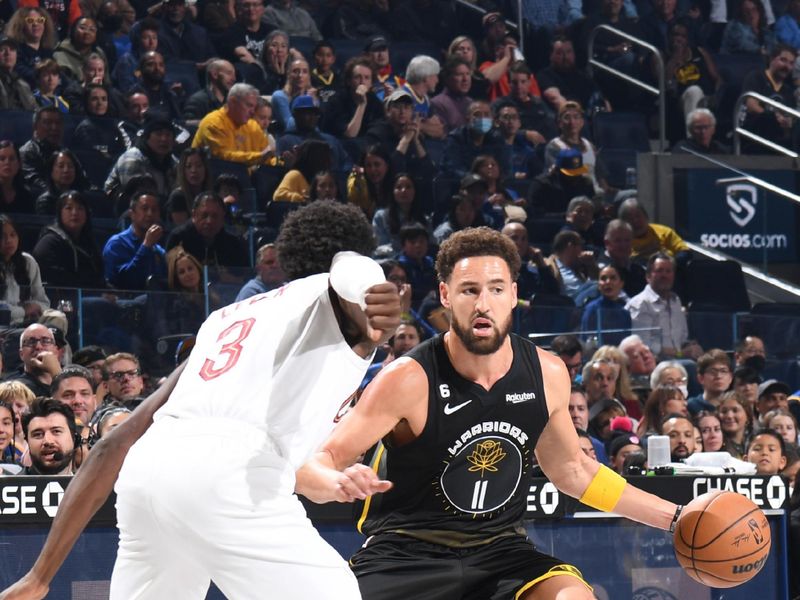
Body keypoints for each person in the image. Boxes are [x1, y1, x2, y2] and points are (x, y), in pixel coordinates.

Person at [0, 200, 402, 600]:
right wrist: (373, 289)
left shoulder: (224, 320)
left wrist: (40, 575)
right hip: (228, 476)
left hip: (149, 473)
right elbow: (350, 268)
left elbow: (115, 444)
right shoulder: (338, 297)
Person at [296, 226, 681, 600]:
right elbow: (317, 462)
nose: (483, 303)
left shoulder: (545, 372)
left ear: (513, 294)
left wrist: (676, 518)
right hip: (404, 554)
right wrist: (336, 481)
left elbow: (574, 472)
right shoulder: (407, 379)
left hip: (501, 553)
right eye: (469, 290)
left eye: (496, 289)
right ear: (445, 295)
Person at [32, 190, 106, 288]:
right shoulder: (49, 243)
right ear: (60, 213)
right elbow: (57, 278)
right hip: (64, 297)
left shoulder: (89, 242)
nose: (75, 213)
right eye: (69, 208)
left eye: (80, 208)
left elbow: (99, 276)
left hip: (91, 293)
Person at [192, 82, 277, 167]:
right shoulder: (213, 123)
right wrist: (260, 156)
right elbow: (225, 158)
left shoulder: (252, 126)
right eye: (249, 105)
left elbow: (268, 158)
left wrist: (282, 162)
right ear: (233, 102)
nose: (252, 112)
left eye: (254, 107)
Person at [625, 253, 688, 358]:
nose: (664, 275)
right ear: (648, 276)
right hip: (654, 363)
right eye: (659, 271)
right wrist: (679, 353)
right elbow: (642, 345)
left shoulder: (676, 301)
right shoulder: (641, 303)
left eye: (668, 271)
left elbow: (682, 338)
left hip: (678, 359)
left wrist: (690, 345)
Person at [105, 112, 178, 201]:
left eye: (168, 135)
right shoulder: (131, 158)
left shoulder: (173, 162)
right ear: (147, 136)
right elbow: (137, 198)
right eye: (158, 134)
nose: (164, 139)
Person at [102, 189, 166, 290]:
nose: (150, 214)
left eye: (154, 210)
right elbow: (126, 281)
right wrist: (146, 246)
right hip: (123, 301)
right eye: (145, 209)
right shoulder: (117, 243)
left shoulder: (158, 250)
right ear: (132, 214)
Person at [740, 44, 797, 154]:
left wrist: (788, 122)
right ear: (771, 59)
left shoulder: (788, 91)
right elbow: (751, 105)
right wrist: (775, 117)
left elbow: (790, 117)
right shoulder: (756, 77)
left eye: (791, 63)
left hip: (778, 140)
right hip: (754, 134)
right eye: (783, 60)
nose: (787, 66)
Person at [165, 192, 248, 267]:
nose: (209, 221)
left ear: (223, 217)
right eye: (204, 215)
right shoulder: (178, 239)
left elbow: (242, 277)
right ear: (194, 215)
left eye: (215, 216)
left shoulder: (233, 243)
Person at [0, 215, 50, 325]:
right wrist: (23, 311)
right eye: (2, 236)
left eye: (13, 235)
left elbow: (44, 302)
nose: (9, 240)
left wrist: (35, 307)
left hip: (26, 324)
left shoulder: (28, 262)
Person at [320, 56, 383, 139]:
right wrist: (362, 104)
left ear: (371, 83)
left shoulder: (375, 102)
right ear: (349, 81)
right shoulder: (336, 102)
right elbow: (350, 134)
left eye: (367, 78)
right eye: (357, 77)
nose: (362, 82)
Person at [20, 397, 76, 476]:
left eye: (56, 431)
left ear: (74, 437)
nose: (48, 441)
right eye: (38, 434)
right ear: (27, 441)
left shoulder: (93, 487)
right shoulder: (5, 487)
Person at [3, 6, 57, 87]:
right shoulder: (14, 50)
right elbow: (22, 73)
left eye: (40, 20)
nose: (36, 24)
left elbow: (58, 75)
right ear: (21, 25)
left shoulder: (48, 52)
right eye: (30, 20)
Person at [19, 106, 64, 199]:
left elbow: (81, 179)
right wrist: (59, 194)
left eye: (58, 123)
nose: (54, 127)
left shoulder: (65, 153)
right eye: (48, 123)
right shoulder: (27, 151)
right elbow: (34, 180)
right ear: (35, 127)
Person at [581, 264, 631, 345]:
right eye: (603, 279)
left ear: (621, 283)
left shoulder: (625, 310)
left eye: (613, 278)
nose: (608, 282)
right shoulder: (592, 308)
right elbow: (588, 341)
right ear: (599, 285)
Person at [7, 324, 61, 398]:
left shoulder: (74, 378)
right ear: (21, 354)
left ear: (56, 352)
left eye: (45, 341)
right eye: (31, 342)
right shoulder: (18, 389)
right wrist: (57, 373)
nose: (38, 346)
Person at [182, 59, 236, 127]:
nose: (234, 78)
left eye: (234, 74)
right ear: (215, 75)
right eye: (229, 73)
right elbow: (188, 128)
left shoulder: (232, 101)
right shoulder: (197, 101)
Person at [430, 56, 473, 134]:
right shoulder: (438, 103)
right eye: (459, 74)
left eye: (467, 74)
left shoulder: (471, 103)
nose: (465, 79)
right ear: (447, 78)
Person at [687, 349, 733, 414]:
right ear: (701, 378)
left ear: (730, 378)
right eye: (712, 372)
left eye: (723, 371)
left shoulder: (736, 405)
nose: (718, 376)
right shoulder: (691, 406)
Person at [0, 34, 38, 111]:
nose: (8, 53)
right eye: (2, 49)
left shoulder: (22, 84)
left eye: (12, 49)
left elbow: (35, 110)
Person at [0, 141, 35, 214]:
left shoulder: (26, 196)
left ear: (19, 164)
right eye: (2, 159)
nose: (7, 162)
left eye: (12, 159)